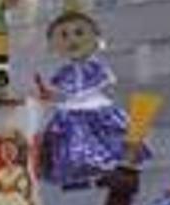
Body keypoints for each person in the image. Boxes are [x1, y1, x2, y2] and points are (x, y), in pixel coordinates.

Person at [36, 4, 151, 190]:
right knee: (70, 146)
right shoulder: (65, 71)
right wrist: (48, 94)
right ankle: (78, 178)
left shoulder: (94, 67)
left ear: (95, 38)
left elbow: (96, 85)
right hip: (72, 110)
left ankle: (107, 170)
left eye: (79, 33)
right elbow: (64, 93)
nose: (72, 40)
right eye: (64, 35)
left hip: (92, 107)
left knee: (100, 140)